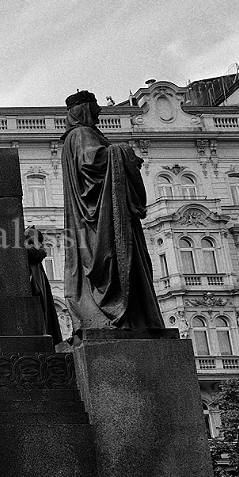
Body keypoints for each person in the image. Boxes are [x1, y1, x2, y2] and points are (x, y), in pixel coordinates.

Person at [61, 90, 164, 337]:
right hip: (102, 218)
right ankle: (121, 316)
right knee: (118, 263)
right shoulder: (82, 134)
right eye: (94, 106)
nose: (98, 111)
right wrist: (125, 152)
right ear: (84, 109)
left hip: (92, 218)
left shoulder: (71, 139)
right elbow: (93, 163)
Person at [25, 226, 63, 345]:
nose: (41, 246)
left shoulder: (33, 257)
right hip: (35, 285)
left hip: (37, 285)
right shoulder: (30, 252)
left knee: (43, 314)